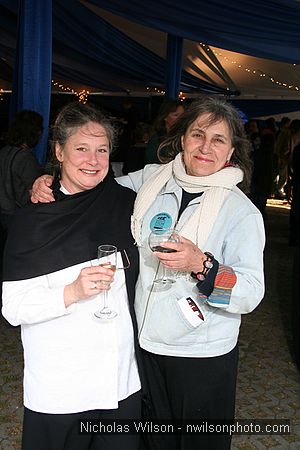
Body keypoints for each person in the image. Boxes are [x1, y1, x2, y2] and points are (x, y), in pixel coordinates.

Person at [31, 96, 265, 450]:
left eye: (218, 139)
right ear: (182, 138)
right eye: (198, 134)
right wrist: (50, 182)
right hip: (144, 344)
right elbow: (98, 193)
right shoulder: (153, 179)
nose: (205, 147)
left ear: (231, 150)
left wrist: (202, 266)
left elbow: (249, 293)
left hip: (199, 355)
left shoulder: (241, 213)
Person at [2, 102, 142, 450]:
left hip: (119, 380)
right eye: (81, 149)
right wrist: (72, 292)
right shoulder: (32, 221)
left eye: (102, 150)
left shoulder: (127, 203)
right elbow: (13, 308)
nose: (92, 160)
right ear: (59, 151)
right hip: (61, 386)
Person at [0, 109, 43, 231]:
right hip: (20, 215)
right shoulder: (25, 157)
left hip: (4, 214)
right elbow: (35, 193)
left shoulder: (3, 151)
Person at [144, 99, 185, 164]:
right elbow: (150, 162)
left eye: (182, 115)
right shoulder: (156, 139)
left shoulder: (186, 136)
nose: (181, 118)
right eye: (176, 115)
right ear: (165, 117)